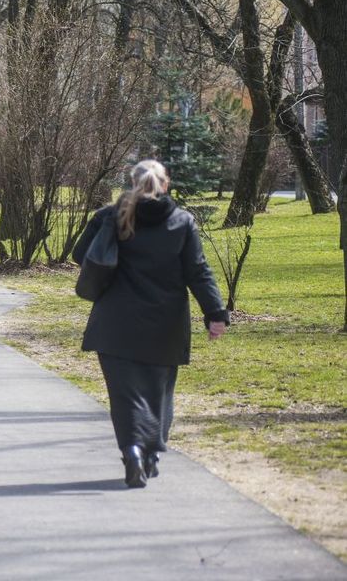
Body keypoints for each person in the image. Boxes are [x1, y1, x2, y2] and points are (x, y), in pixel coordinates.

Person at [74, 159, 228, 489]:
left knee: (125, 396)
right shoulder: (181, 222)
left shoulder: (110, 216)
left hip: (114, 324)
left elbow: (80, 255)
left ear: (132, 182)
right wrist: (215, 313)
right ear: (165, 184)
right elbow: (198, 271)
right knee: (159, 394)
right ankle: (152, 454)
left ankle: (132, 451)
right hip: (164, 324)